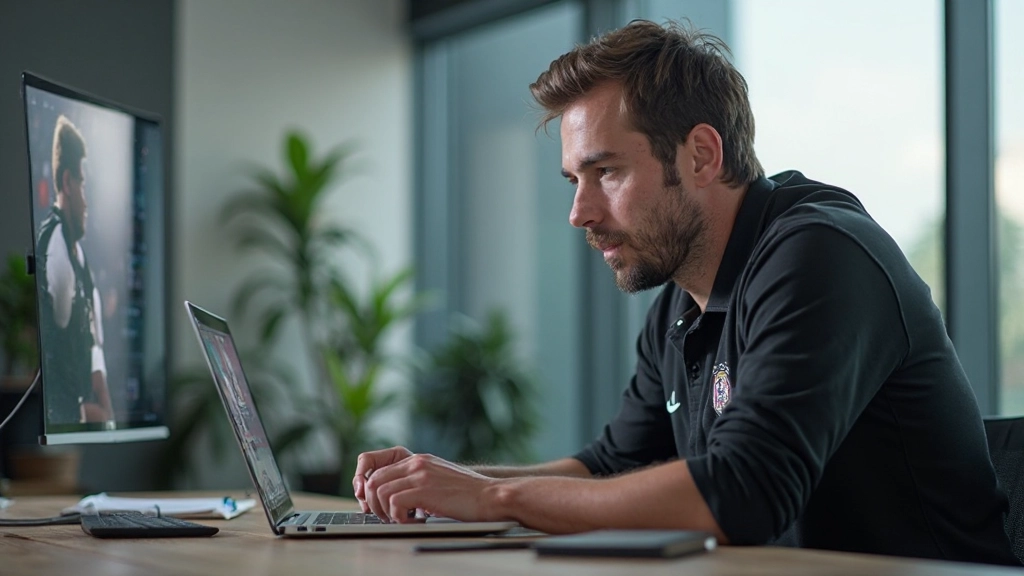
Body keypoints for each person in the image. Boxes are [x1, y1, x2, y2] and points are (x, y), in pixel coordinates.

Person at [353, 20, 1018, 565]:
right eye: (574, 181)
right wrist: (442, 483)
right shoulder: (681, 299)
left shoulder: (820, 255)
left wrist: (494, 501)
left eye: (606, 172)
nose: (579, 213)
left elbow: (743, 492)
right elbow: (610, 468)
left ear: (701, 155)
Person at [36, 114, 114, 427]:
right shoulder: (55, 251)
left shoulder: (78, 255)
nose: (87, 201)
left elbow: (93, 343)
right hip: (61, 421)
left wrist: (109, 423)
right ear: (67, 182)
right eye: (82, 184)